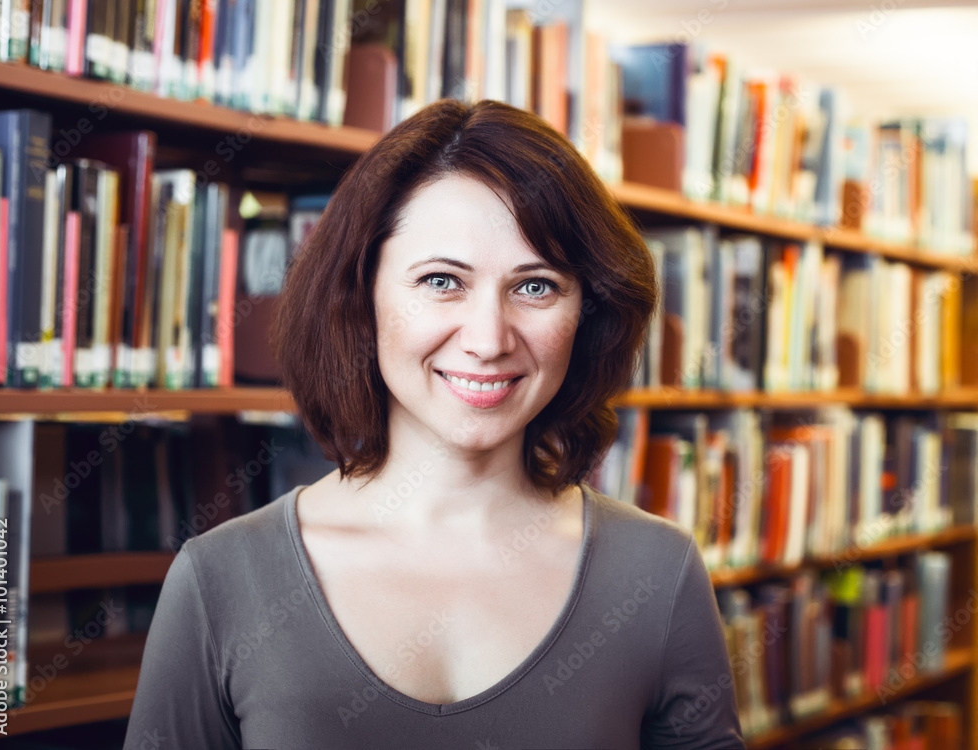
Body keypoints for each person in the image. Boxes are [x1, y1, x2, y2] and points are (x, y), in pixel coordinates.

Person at [123, 99, 744, 749]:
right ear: (361, 296)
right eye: (443, 280)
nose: (488, 339)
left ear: (587, 312)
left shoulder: (658, 570)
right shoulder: (220, 580)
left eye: (535, 287)